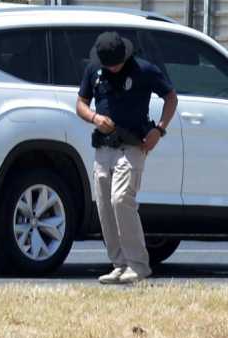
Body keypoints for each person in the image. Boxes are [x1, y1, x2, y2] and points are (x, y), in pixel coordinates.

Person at [75, 30, 177, 286]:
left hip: (132, 145)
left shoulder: (144, 70)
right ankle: (119, 264)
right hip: (103, 147)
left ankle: (138, 265)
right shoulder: (94, 70)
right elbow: (80, 103)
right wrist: (95, 118)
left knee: (121, 199)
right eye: (108, 65)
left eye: (116, 64)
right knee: (105, 206)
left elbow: (171, 97)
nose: (112, 68)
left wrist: (159, 129)